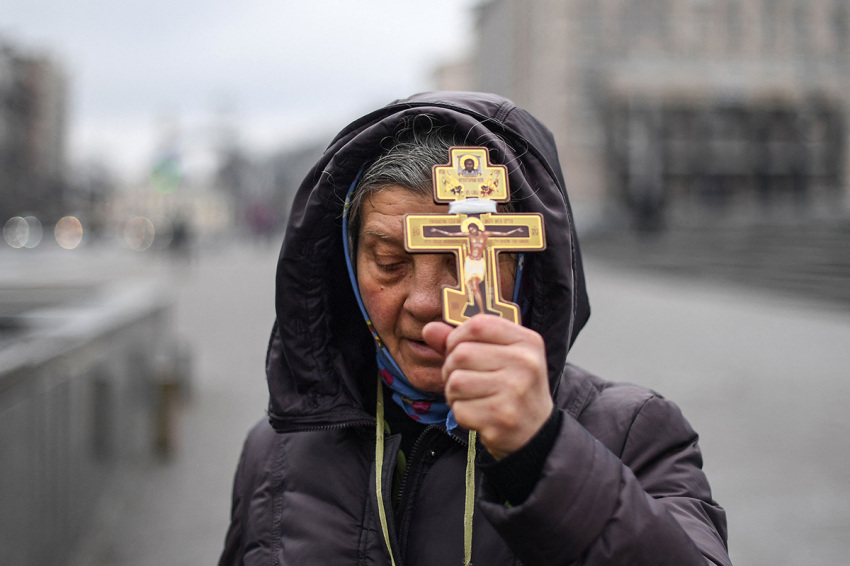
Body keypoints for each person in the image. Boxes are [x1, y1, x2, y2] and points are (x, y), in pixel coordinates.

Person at [218, 92, 731, 565]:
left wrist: (542, 454)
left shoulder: (631, 434)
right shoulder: (276, 451)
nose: (423, 302)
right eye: (390, 262)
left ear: (526, 272)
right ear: (348, 269)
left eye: (461, 262)